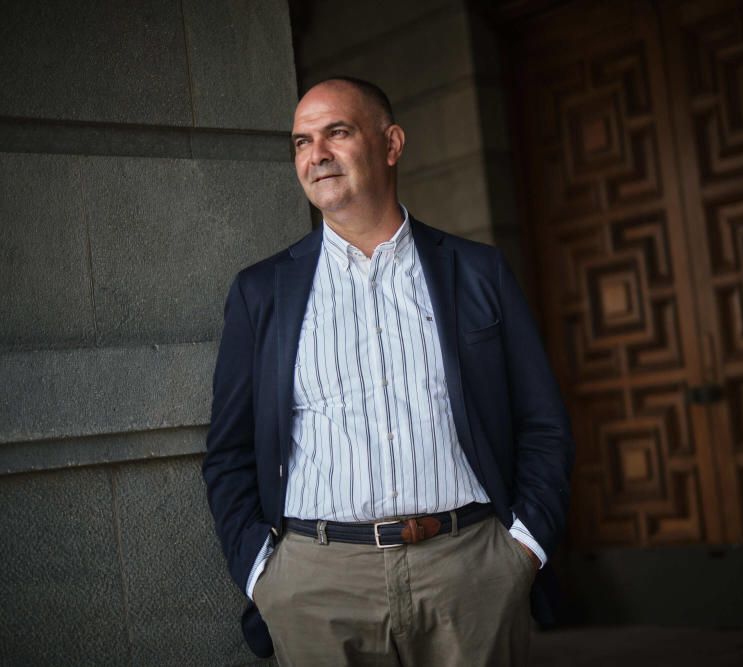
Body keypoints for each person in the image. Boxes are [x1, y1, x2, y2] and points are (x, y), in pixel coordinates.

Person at [202, 76, 574, 666]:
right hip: (317, 584)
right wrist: (263, 575)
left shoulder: (478, 273)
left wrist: (522, 552)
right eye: (301, 142)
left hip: (469, 572)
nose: (315, 154)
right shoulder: (262, 293)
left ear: (392, 143)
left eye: (337, 133)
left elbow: (543, 423)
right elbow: (229, 450)